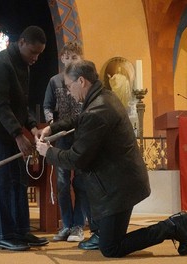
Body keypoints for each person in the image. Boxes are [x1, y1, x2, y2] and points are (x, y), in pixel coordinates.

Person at [36, 59, 187, 257]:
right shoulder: (102, 97)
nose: (67, 91)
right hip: (117, 182)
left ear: (81, 81)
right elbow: (79, 119)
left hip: (119, 189)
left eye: (68, 86)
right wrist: (52, 127)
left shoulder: (98, 109)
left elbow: (77, 159)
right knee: (105, 235)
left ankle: (174, 226)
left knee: (111, 248)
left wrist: (48, 152)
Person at [0, 25, 49, 251]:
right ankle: (4, 235)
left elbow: (20, 103)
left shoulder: (23, 64)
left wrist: (32, 126)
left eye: (39, 54)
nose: (35, 58)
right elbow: (1, 104)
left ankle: (21, 231)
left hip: (10, 130)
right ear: (22, 43)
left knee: (19, 180)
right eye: (33, 53)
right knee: (2, 183)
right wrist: (19, 135)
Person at [43, 41, 86, 243]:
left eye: (74, 57)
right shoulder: (54, 81)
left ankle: (78, 226)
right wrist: (53, 124)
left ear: (81, 59)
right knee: (62, 183)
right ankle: (66, 224)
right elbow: (47, 106)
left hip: (81, 138)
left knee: (80, 182)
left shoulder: (84, 81)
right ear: (61, 58)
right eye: (67, 57)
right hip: (61, 139)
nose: (70, 61)